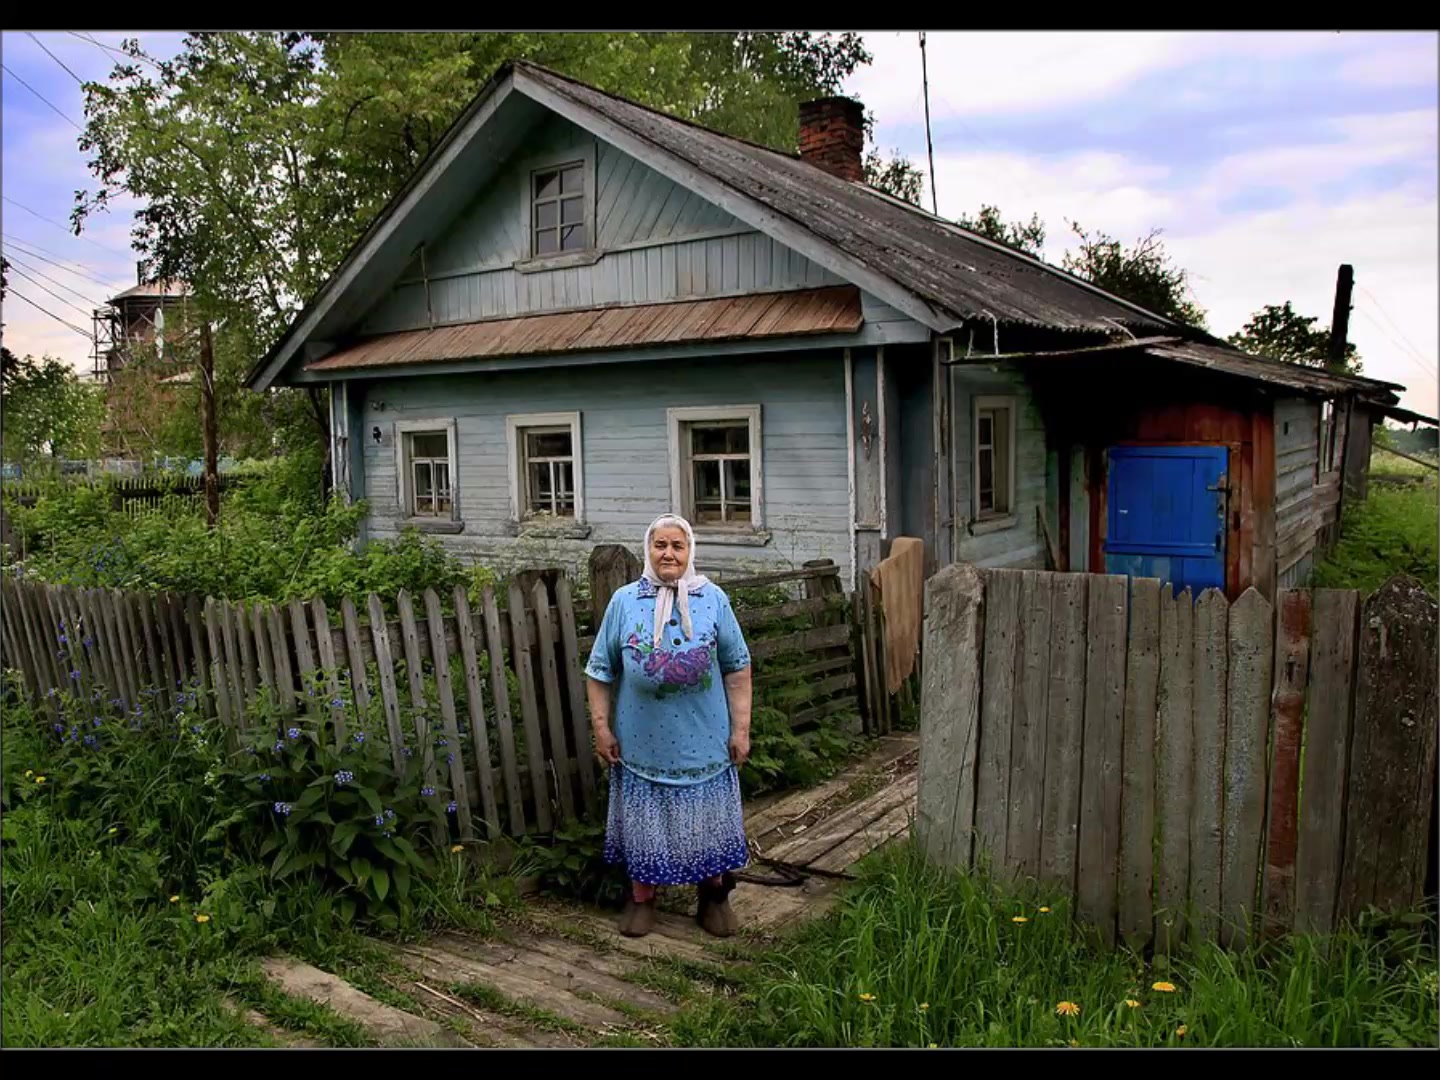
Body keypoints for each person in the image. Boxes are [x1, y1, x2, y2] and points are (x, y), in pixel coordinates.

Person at [584, 513, 753, 938]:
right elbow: (599, 670)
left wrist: (741, 731)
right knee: (646, 827)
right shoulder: (624, 601)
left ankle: (713, 897)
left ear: (690, 550)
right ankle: (642, 899)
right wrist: (601, 729)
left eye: (677, 545)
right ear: (649, 550)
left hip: (705, 744)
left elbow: (738, 668)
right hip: (641, 747)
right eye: (661, 545)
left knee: (708, 824)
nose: (669, 553)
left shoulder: (713, 599)